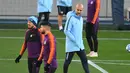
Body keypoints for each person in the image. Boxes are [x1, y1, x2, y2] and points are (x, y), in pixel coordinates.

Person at [63, 4, 90, 73]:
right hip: (71, 45)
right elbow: (66, 31)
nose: (79, 11)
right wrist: (74, 40)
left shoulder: (81, 19)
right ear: (75, 8)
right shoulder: (71, 18)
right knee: (67, 62)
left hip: (80, 45)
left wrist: (80, 42)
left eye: (80, 10)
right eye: (78, 10)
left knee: (84, 60)